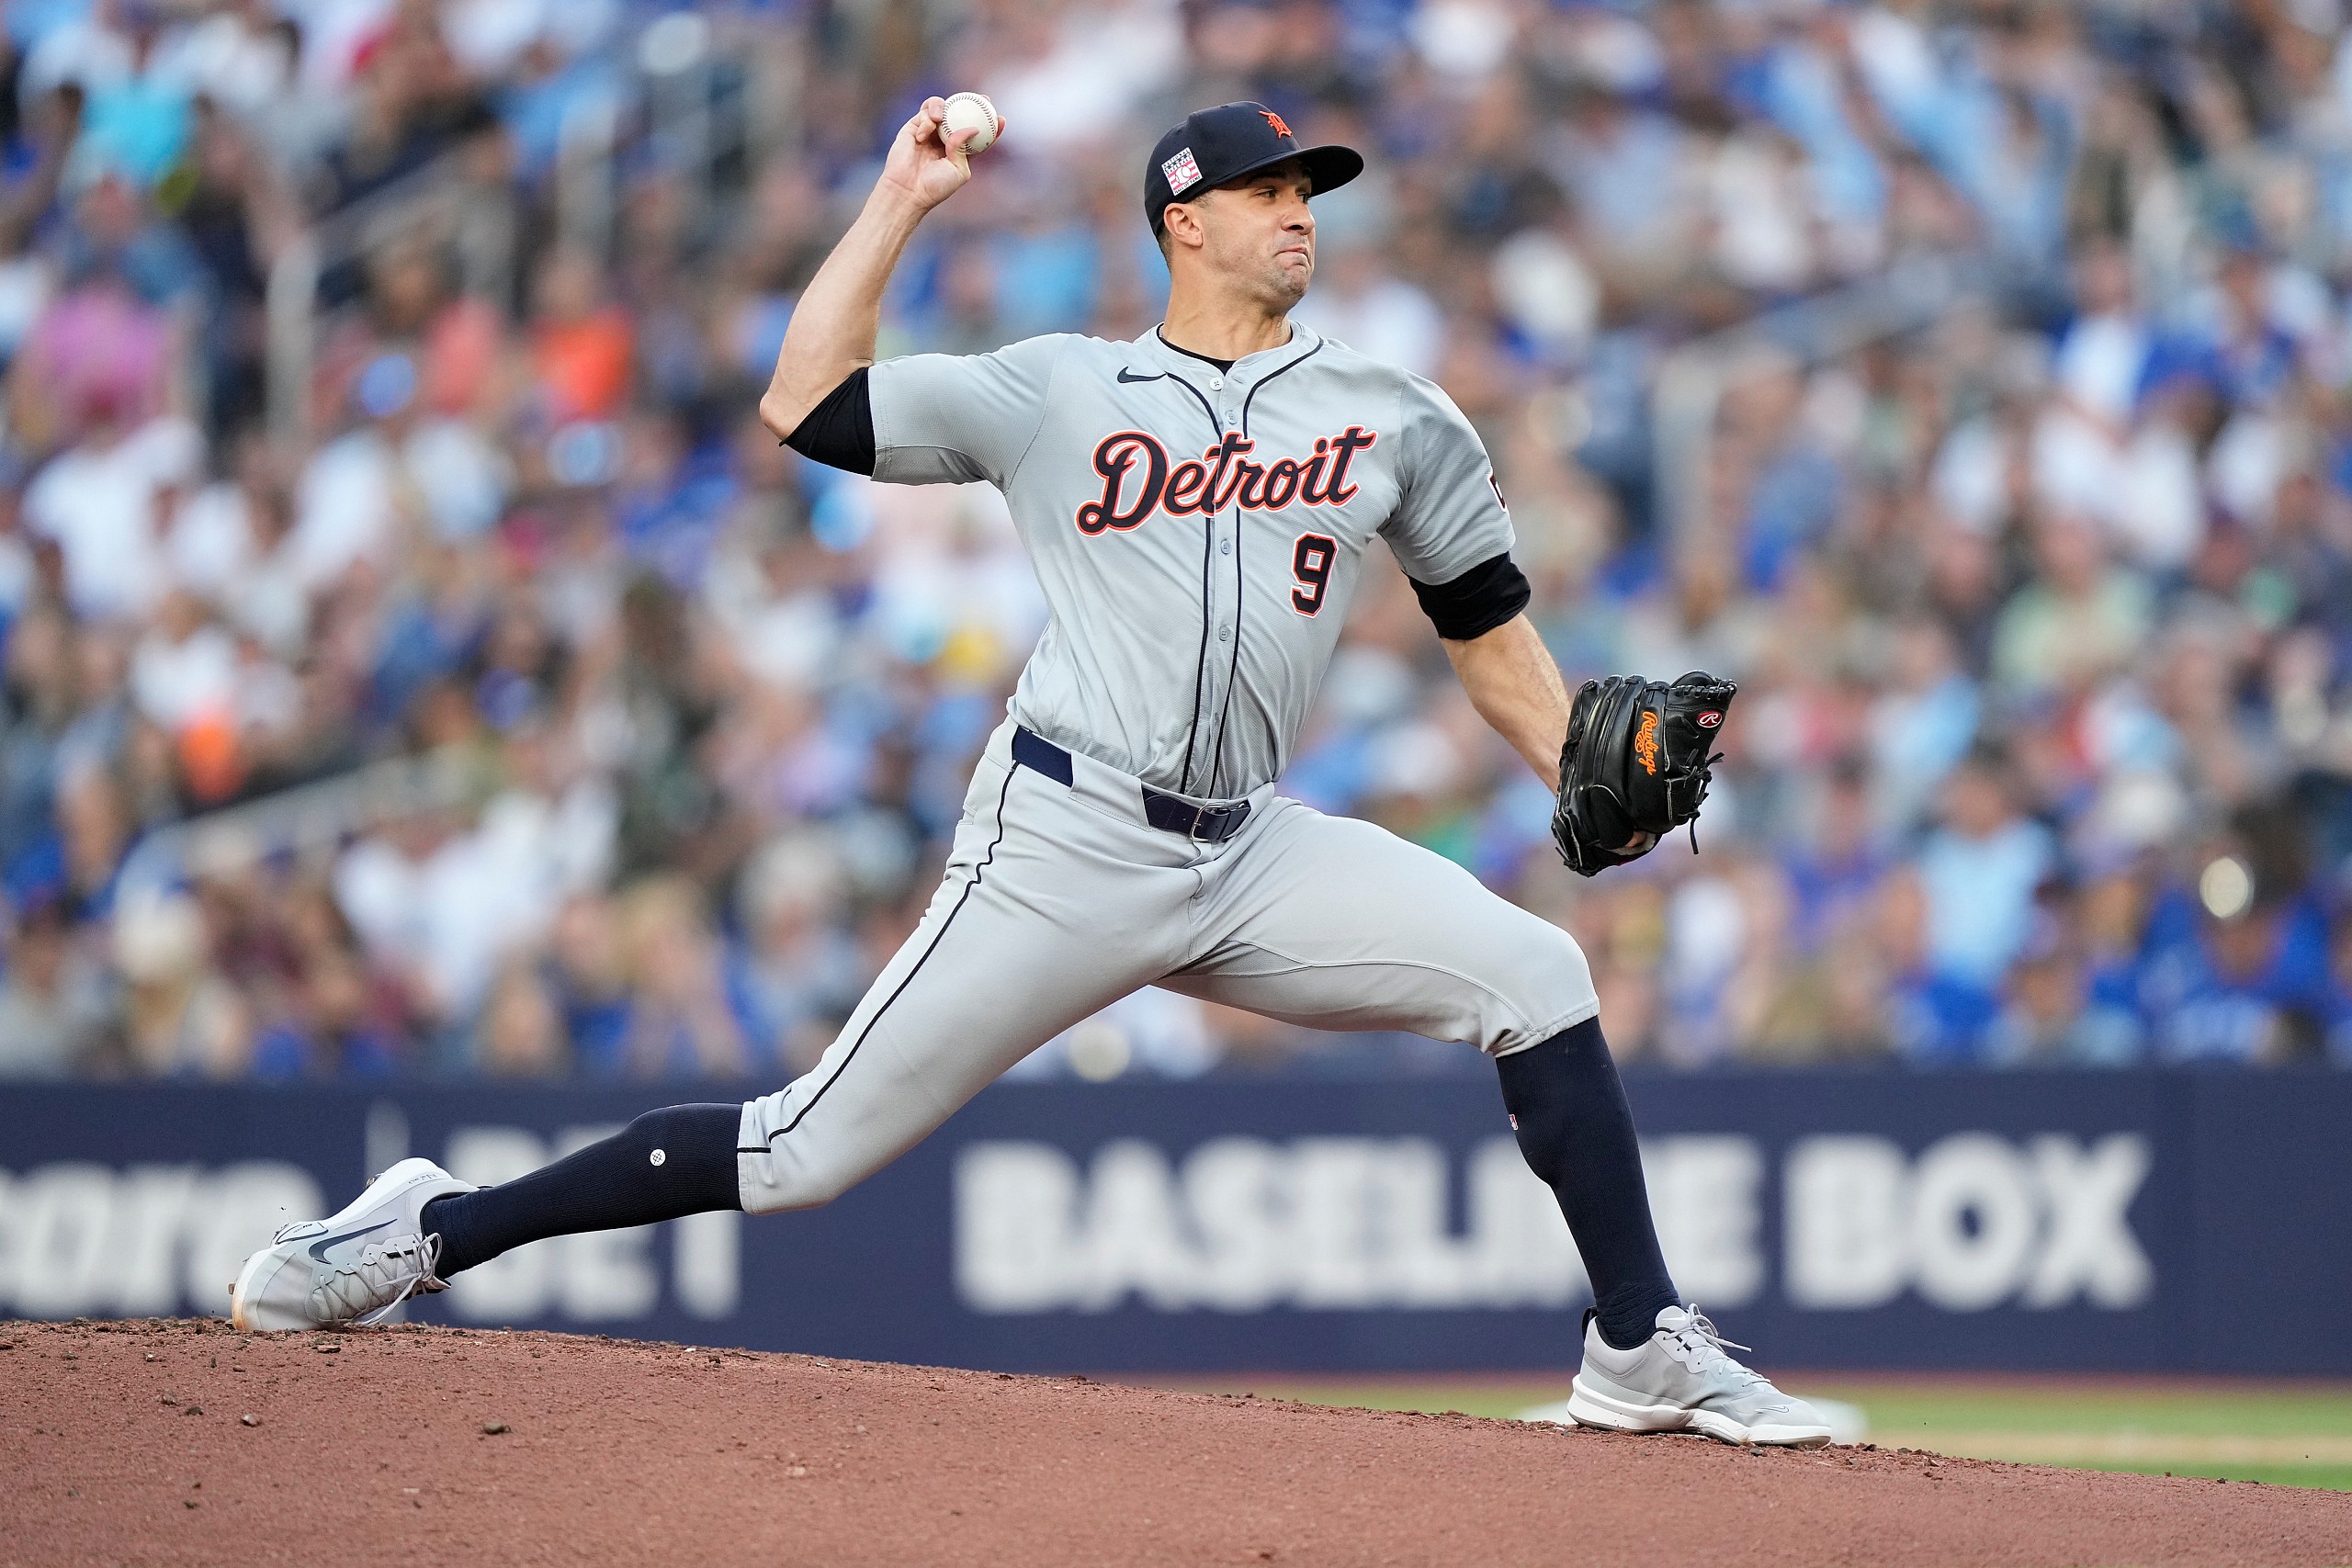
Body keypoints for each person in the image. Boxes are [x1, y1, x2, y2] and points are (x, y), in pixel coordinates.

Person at [231, 99, 1828, 1448]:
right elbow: (806, 401)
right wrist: (902, 198)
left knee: (1534, 970)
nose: (1299, 215)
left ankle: (1637, 1349)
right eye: (1269, 191)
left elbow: (1489, 632)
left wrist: (1573, 752)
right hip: (1063, 836)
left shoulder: (1391, 416)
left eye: (1309, 193)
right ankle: (426, 1231)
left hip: (1251, 850)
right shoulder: (1061, 385)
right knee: (802, 1153)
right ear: (1180, 219)